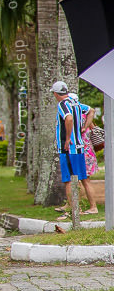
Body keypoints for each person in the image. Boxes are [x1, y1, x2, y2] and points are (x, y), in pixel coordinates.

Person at [52, 85, 99, 217]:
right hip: (80, 147)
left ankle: (73, 211)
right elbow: (91, 110)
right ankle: (91, 207)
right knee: (83, 178)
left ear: (56, 93)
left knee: (69, 180)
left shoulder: (63, 104)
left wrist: (67, 139)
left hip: (69, 148)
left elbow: (69, 118)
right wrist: (83, 127)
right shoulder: (76, 104)